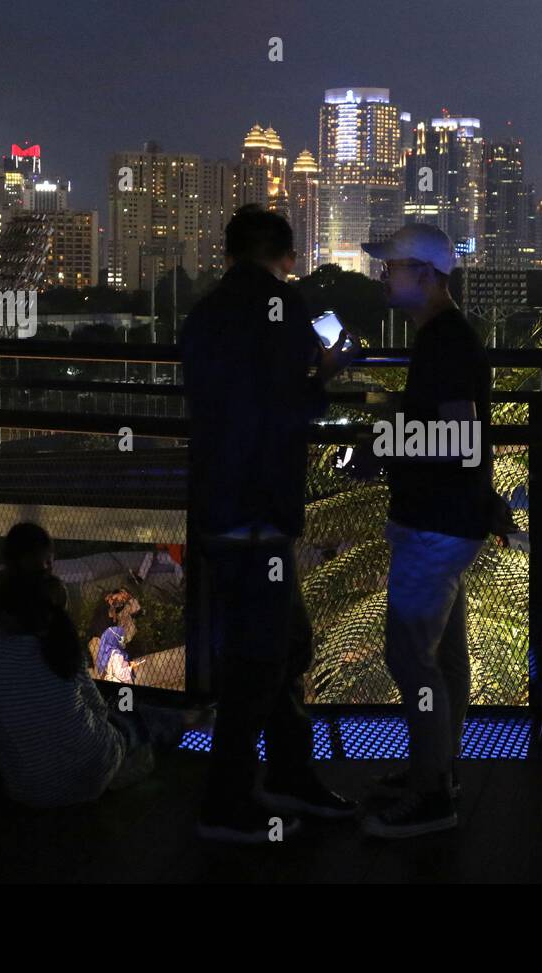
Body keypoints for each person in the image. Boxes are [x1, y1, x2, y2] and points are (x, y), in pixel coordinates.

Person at [182, 205, 359, 843]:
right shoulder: (287, 312)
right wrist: (329, 374)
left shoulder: (202, 316)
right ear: (284, 258)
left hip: (217, 508)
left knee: (281, 647)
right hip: (263, 514)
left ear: (228, 254)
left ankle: (288, 774)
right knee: (261, 661)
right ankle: (225, 803)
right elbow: (292, 403)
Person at [357, 223, 494, 839]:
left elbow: (458, 436)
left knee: (410, 655)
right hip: (453, 518)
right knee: (445, 656)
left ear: (427, 275)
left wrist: (382, 437)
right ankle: (437, 768)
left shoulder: (444, 344)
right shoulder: (445, 338)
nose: (385, 274)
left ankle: (432, 791)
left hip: (434, 523)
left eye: (394, 266)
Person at [0, 524, 184, 810]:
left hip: (26, 789)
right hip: (93, 772)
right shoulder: (58, 635)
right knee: (135, 720)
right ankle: (186, 723)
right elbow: (97, 709)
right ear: (49, 567)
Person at [91, 588, 143, 684]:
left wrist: (129, 598)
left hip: (112, 645)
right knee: (104, 673)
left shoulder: (120, 611)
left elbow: (138, 611)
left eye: (124, 599)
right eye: (121, 596)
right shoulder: (104, 606)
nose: (122, 600)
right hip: (99, 641)